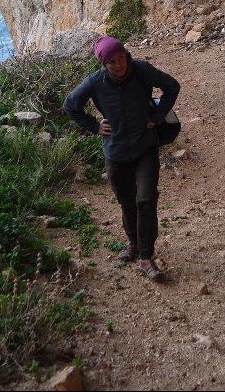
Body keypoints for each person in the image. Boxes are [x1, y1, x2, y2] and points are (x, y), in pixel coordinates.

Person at [63, 35, 180, 281]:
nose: (119, 65)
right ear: (103, 65)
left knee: (146, 199)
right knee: (127, 202)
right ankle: (133, 244)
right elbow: (71, 105)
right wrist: (94, 126)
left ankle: (146, 257)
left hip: (145, 147)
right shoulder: (95, 82)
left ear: (126, 54)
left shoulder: (141, 69)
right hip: (115, 153)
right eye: (112, 62)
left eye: (121, 58)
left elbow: (172, 86)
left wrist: (157, 117)